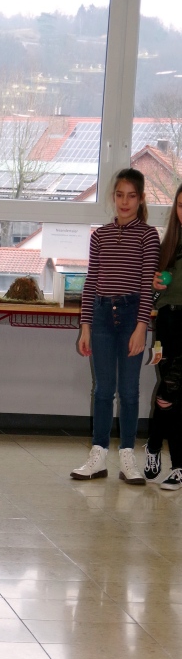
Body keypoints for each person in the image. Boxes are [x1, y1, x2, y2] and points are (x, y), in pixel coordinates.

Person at [71, 168, 159, 483]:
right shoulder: (100, 235)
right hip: (102, 315)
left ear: (141, 199)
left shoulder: (148, 235)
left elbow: (147, 286)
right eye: (119, 195)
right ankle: (98, 454)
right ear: (113, 197)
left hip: (132, 313)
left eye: (131, 196)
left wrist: (141, 327)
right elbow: (91, 282)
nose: (124, 201)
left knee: (130, 391)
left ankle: (127, 456)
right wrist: (86, 326)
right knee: (104, 390)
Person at [144, 183, 182, 490]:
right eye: (181, 206)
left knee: (170, 393)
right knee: (170, 395)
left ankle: (160, 448)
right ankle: (161, 452)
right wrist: (156, 288)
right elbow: (156, 297)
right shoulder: (168, 244)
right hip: (169, 324)